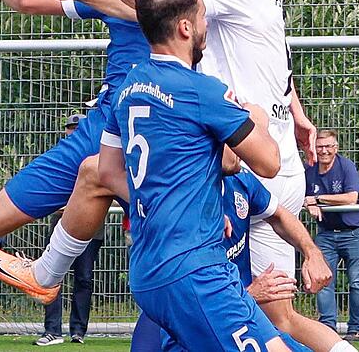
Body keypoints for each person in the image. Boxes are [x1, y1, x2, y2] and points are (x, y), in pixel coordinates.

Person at [76, 0, 354, 352]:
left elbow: (155, 4)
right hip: (212, 233)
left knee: (267, 326)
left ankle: (48, 269)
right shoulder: (211, 69)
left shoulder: (133, 85)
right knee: (278, 319)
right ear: (186, 28)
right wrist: (275, 115)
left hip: (174, 240)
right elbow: (268, 146)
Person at [0, 0, 190, 304]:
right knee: (167, 247)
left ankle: (45, 273)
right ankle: (46, 273)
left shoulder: (193, 11)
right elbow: (34, 0)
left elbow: (37, 0)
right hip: (139, 139)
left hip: (129, 136)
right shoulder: (177, 12)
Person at [96, 0, 303, 351]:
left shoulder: (128, 88)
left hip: (150, 267)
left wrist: (179, 203)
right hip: (194, 270)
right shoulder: (202, 91)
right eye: (205, 17)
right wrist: (257, 118)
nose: (209, 26)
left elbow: (108, 172)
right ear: (187, 28)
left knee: (280, 345)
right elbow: (269, 163)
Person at [130, 147, 317, 352]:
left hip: (236, 306)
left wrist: (312, 252)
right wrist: (249, 294)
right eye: (231, 140)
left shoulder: (241, 182)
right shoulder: (176, 206)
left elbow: (279, 214)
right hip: (197, 311)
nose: (241, 149)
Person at [35, 113, 105, 347]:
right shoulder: (61, 159)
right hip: (60, 225)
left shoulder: (100, 158)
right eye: (70, 128)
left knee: (84, 279)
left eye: (78, 128)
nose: (73, 132)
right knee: (52, 277)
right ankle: (52, 330)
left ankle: (78, 331)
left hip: (90, 228)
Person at [304, 129, 359, 342]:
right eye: (320, 147)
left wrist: (318, 199)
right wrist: (307, 201)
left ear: (336, 148)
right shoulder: (308, 170)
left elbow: (351, 198)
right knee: (323, 279)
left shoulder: (346, 166)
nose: (324, 151)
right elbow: (299, 195)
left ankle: (355, 329)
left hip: (354, 231)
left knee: (357, 281)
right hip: (326, 232)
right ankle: (328, 328)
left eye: (328, 146)